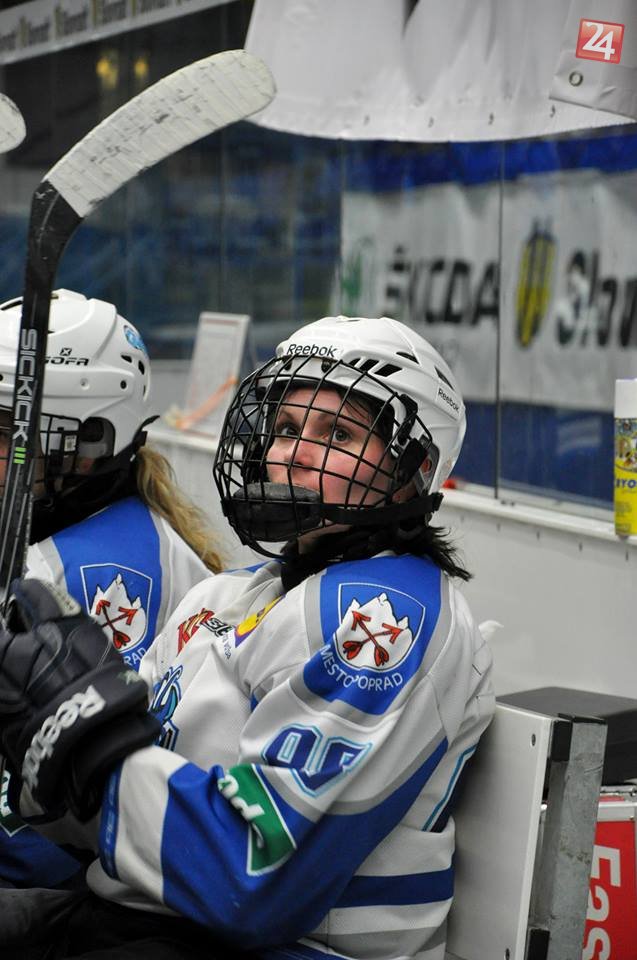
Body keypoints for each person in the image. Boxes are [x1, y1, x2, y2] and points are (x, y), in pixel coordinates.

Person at [0, 315, 494, 960]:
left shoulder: (386, 618)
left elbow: (253, 879)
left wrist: (86, 741)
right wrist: (36, 739)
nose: (294, 452)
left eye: (337, 434)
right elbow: (93, 827)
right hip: (143, 914)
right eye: (286, 428)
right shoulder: (226, 597)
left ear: (412, 469)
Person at [0, 288, 223, 889]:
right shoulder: (107, 530)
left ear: (86, 444)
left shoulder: (74, 573)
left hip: (76, 892)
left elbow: (49, 824)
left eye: (5, 431)